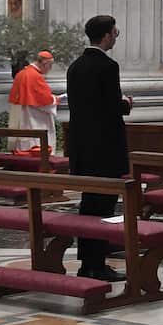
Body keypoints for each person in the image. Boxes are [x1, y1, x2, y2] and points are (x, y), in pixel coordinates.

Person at [66, 15, 133, 282]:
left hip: (83, 147)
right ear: (106, 35)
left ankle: (87, 263)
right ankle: (96, 266)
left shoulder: (75, 66)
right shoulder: (107, 66)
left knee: (88, 206)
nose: (117, 35)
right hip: (105, 149)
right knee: (103, 209)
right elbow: (109, 107)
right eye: (115, 31)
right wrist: (126, 103)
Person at [8, 51, 62, 156]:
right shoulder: (34, 76)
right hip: (35, 119)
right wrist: (55, 100)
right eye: (50, 66)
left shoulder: (22, 73)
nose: (49, 69)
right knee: (35, 146)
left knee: (24, 144)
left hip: (23, 117)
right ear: (45, 63)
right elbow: (44, 102)